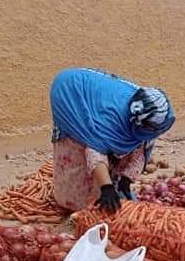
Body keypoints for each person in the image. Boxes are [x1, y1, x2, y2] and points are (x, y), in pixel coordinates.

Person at [50, 68, 175, 213]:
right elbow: (95, 150)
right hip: (70, 93)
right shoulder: (113, 120)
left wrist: (126, 179)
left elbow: (142, 148)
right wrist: (106, 188)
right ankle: (74, 203)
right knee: (80, 150)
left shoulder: (152, 114)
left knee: (121, 147)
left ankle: (109, 183)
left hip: (98, 95)